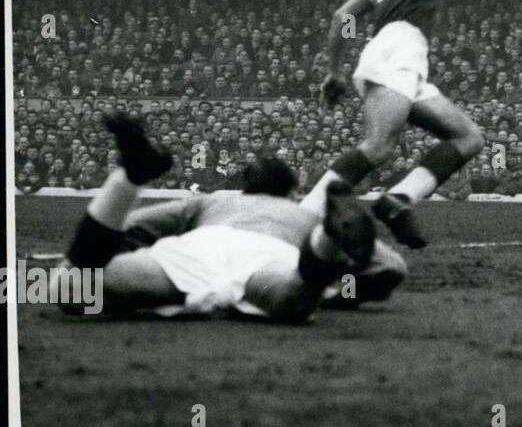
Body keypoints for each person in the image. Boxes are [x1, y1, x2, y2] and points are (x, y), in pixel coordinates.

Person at [305, 0, 522, 247]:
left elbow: (343, 16)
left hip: (403, 59)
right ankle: (304, 212)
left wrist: (335, 72)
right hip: (396, 54)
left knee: (468, 138)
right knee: (379, 147)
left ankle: (397, 200)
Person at [59, 113, 398, 322]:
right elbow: (389, 268)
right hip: (269, 260)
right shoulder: (302, 214)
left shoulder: (213, 201)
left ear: (244, 189)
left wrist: (126, 254)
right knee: (294, 301)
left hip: (199, 248)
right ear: (292, 192)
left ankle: (127, 180)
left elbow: (133, 226)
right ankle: (325, 243)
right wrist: (338, 294)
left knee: (70, 288)